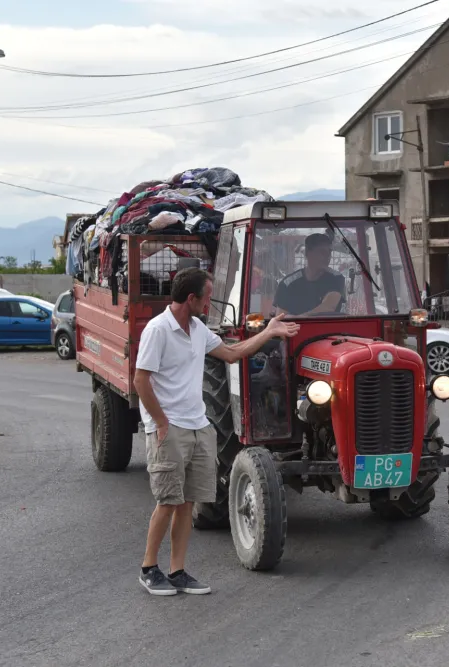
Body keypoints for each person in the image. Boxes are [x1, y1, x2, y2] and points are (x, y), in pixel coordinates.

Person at [134, 266, 299, 596]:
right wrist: (161, 422)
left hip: (198, 425)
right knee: (167, 501)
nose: (210, 304)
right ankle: (149, 569)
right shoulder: (158, 330)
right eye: (208, 297)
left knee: (188, 502)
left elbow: (233, 353)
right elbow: (140, 380)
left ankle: (177, 571)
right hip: (170, 429)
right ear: (191, 298)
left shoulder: (198, 329)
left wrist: (269, 332)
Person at [273, 233, 346, 316]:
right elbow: (280, 317)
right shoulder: (288, 283)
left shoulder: (335, 279)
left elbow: (328, 308)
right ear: (308, 253)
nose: (327, 257)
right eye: (322, 252)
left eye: (329, 252)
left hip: (328, 328)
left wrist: (298, 318)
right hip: (295, 329)